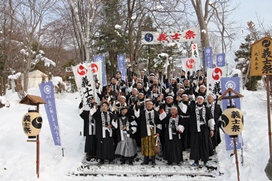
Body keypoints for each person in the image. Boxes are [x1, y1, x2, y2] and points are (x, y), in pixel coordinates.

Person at [189, 95, 215, 166]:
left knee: (205, 144)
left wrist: (212, 129)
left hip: (204, 128)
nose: (199, 100)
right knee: (195, 144)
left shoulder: (206, 108)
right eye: (198, 99)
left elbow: (210, 119)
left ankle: (205, 160)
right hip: (195, 128)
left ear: (203, 101)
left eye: (201, 99)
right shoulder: (193, 108)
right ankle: (196, 160)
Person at [134, 100, 162, 165]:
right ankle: (145, 160)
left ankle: (153, 160)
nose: (149, 106)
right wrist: (137, 107)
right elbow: (137, 115)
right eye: (147, 104)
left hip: (153, 131)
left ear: (152, 106)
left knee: (153, 145)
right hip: (145, 130)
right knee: (145, 145)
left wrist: (158, 131)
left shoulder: (155, 113)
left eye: (150, 104)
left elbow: (158, 122)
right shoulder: (142, 112)